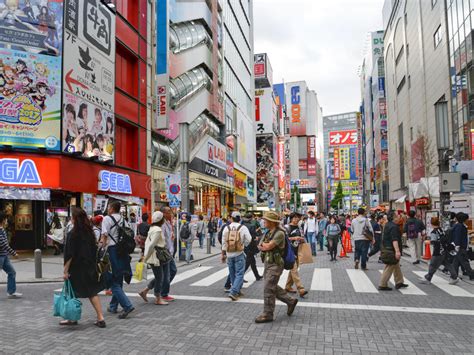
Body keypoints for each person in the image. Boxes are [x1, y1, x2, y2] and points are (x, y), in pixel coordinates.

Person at [62, 207, 105, 327]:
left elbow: (70, 254)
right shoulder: (89, 232)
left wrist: (65, 271)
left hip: (76, 267)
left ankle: (72, 318)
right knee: (92, 292)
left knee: (71, 291)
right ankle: (100, 317)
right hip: (89, 266)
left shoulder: (73, 234)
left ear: (75, 218)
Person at [255, 211, 298, 323]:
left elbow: (268, 246)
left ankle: (268, 314)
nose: (263, 222)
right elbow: (260, 245)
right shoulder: (267, 232)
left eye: (266, 220)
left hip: (276, 264)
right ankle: (290, 301)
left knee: (268, 288)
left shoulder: (280, 233)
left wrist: (266, 245)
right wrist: (265, 246)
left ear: (272, 222)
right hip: (268, 263)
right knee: (271, 285)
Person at [100, 201, 134, 319]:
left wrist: (101, 248)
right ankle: (113, 305)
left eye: (108, 207)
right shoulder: (123, 220)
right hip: (122, 251)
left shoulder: (107, 219)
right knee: (118, 279)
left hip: (112, 251)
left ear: (111, 208)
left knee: (113, 281)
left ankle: (127, 305)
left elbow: (104, 236)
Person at [139, 206, 177, 303]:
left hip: (165, 253)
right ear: (162, 215)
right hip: (161, 254)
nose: (171, 213)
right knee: (162, 276)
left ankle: (147, 291)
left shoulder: (160, 226)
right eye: (168, 211)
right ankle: (160, 296)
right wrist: (145, 257)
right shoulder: (158, 229)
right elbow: (151, 244)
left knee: (162, 276)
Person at [419, 217, 459, 285]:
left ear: (431, 224)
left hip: (438, 251)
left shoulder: (434, 232)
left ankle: (428, 278)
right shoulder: (441, 230)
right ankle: (454, 277)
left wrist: (428, 241)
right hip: (444, 250)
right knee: (447, 264)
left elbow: (434, 242)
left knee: (432, 265)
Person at [221, 211, 251, 301]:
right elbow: (249, 239)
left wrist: (223, 254)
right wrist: (243, 245)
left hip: (229, 254)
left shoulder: (226, 228)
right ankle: (234, 292)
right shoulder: (243, 227)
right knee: (240, 273)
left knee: (233, 273)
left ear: (231, 218)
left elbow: (223, 243)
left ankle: (236, 291)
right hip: (239, 253)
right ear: (240, 218)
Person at [378, 211, 408, 291]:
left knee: (396, 264)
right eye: (398, 216)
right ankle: (382, 284)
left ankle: (399, 282)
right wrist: (397, 251)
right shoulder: (394, 227)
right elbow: (394, 240)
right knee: (390, 265)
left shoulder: (387, 225)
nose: (399, 217)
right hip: (391, 250)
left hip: (387, 248)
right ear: (394, 217)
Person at [285, 212, 308, 297]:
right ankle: (301, 289)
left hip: (298, 250)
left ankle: (288, 286)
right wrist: (294, 238)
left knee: (294, 270)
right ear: (291, 218)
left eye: (298, 218)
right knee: (294, 270)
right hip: (290, 251)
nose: (296, 219)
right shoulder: (287, 227)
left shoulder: (299, 227)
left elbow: (302, 236)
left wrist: (302, 239)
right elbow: (284, 238)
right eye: (295, 218)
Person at [0, 211, 21, 299]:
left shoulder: (2, 230)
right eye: (6, 219)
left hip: (4, 256)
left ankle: (11, 292)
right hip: (0, 256)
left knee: (12, 272)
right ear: (3, 220)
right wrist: (13, 253)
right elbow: (3, 244)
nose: (7, 221)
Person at [451, 212, 474, 280]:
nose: (467, 220)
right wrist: (457, 245)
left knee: (456, 262)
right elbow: (458, 236)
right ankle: (471, 275)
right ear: (463, 219)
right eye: (466, 219)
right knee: (465, 261)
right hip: (460, 247)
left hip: (459, 247)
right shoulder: (459, 226)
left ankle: (454, 275)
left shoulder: (460, 225)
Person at [242, 212, 263, 281]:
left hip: (243, 245)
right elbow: (254, 236)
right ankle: (240, 276)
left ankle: (257, 276)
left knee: (252, 262)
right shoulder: (252, 226)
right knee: (248, 262)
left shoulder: (241, 225)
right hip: (250, 245)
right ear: (251, 218)